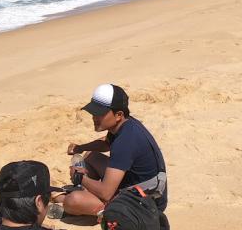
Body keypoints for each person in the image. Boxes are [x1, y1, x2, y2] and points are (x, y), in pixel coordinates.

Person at [55, 83, 168, 217]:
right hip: (136, 183)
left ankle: (102, 208)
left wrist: (79, 177)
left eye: (99, 114)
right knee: (91, 155)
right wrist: (81, 147)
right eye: (93, 112)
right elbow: (106, 143)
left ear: (118, 115)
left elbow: (106, 193)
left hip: (145, 203)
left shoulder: (125, 142)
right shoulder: (127, 124)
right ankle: (86, 194)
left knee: (73, 201)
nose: (94, 117)